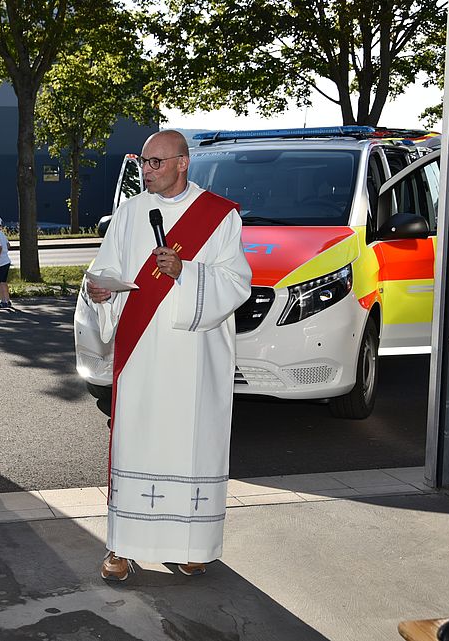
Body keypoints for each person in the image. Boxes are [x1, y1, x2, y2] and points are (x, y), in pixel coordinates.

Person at [84, 129, 252, 581]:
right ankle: (122, 546)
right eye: (143, 162)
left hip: (195, 356)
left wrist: (186, 272)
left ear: (183, 163)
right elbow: (106, 268)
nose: (147, 170)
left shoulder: (219, 216)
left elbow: (236, 283)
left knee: (190, 446)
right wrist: (101, 291)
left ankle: (191, 545)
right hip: (141, 353)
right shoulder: (130, 212)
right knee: (136, 443)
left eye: (156, 162)